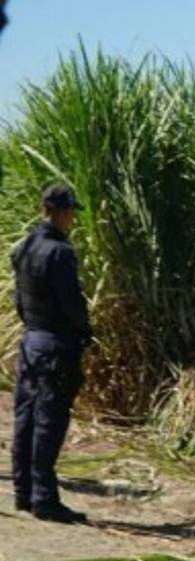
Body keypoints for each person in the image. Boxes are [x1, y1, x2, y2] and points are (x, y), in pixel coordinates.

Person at [11, 183, 91, 524]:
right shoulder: (59, 252)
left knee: (26, 418)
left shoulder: (24, 246)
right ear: (59, 211)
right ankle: (45, 498)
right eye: (71, 211)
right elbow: (72, 303)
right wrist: (85, 332)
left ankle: (24, 492)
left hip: (31, 342)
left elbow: (19, 298)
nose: (73, 218)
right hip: (55, 345)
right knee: (49, 422)